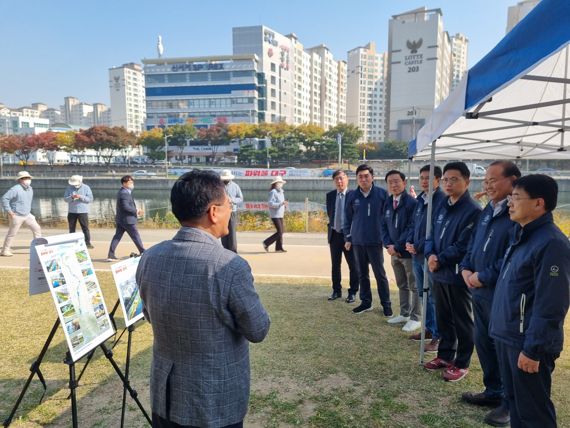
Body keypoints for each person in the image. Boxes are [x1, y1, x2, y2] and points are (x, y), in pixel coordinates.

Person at [137, 170, 270, 428]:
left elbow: (150, 314)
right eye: (229, 206)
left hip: (166, 398)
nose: (231, 212)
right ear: (213, 212)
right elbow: (258, 329)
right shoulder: (230, 266)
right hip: (215, 400)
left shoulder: (150, 257)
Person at [490, 174, 569, 428]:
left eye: (516, 197)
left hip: (526, 343)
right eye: (510, 197)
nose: (510, 203)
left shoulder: (552, 244)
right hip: (508, 334)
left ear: (539, 203)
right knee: (516, 405)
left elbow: (551, 303)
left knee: (534, 412)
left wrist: (533, 349)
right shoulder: (523, 234)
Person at [459, 161, 521, 427]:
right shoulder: (488, 210)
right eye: (486, 181)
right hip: (478, 291)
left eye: (493, 180)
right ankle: (493, 391)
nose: (488, 185)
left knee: (504, 350)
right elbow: (474, 243)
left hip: (500, 293)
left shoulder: (517, 214)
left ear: (513, 181)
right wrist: (465, 268)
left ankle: (509, 403)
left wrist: (481, 276)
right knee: (483, 342)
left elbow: (512, 256)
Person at [423, 161, 481, 382]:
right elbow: (430, 234)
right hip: (438, 272)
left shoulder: (473, 210)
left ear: (467, 181)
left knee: (463, 320)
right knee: (443, 317)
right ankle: (445, 355)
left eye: (454, 179)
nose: (448, 183)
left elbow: (465, 244)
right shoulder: (442, 205)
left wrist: (440, 258)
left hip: (457, 275)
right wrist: (430, 255)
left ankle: (462, 362)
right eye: (446, 179)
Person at [343, 164, 392, 316]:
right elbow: (347, 219)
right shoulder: (352, 196)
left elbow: (388, 219)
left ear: (372, 177)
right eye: (360, 177)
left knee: (380, 274)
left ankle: (386, 304)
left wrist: (387, 239)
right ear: (356, 179)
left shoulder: (382, 194)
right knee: (362, 273)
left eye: (366, 176)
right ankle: (366, 302)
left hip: (376, 241)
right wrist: (348, 237)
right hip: (357, 241)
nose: (363, 179)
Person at [406, 165, 444, 353]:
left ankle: (437, 336)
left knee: (433, 298)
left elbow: (435, 231)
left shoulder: (441, 201)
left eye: (428, 178)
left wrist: (418, 245)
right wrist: (409, 241)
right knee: (423, 294)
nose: (424, 181)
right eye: (421, 177)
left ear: (438, 179)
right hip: (416, 255)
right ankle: (428, 329)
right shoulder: (420, 199)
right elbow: (414, 224)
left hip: (429, 255)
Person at [383, 170, 420, 331]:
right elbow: (382, 225)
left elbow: (411, 228)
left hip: (407, 252)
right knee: (401, 284)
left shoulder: (412, 203)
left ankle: (416, 317)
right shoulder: (388, 202)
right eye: (390, 182)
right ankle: (404, 313)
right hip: (393, 252)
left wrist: (397, 247)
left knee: (414, 285)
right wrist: (388, 245)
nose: (393, 184)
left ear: (404, 183)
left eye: (397, 181)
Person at [326, 170, 359, 302]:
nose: (339, 182)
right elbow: (330, 213)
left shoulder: (354, 195)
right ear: (334, 181)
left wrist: (349, 236)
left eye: (341, 178)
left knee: (353, 265)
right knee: (335, 265)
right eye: (336, 179)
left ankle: (352, 292)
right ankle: (336, 290)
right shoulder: (330, 195)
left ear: (347, 180)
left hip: (349, 236)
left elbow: (356, 217)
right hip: (334, 234)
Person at [1, 171, 42, 257]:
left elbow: (26, 202)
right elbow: (5, 198)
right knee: (12, 233)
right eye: (26, 178)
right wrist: (9, 211)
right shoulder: (15, 189)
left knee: (37, 229)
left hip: (27, 215)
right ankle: (5, 251)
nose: (28, 180)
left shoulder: (30, 188)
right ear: (20, 180)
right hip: (16, 215)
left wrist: (29, 211)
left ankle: (38, 248)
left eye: (29, 178)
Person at [107, 175, 145, 261]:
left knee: (117, 237)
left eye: (132, 182)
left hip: (121, 219)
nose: (132, 183)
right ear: (124, 183)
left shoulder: (123, 191)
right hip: (127, 220)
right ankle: (143, 252)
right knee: (135, 236)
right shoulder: (124, 193)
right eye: (130, 182)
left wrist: (136, 210)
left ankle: (110, 254)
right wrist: (136, 211)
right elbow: (125, 207)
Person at [64, 175, 94, 249]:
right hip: (71, 211)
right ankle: (72, 242)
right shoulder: (69, 188)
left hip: (83, 211)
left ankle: (87, 243)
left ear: (80, 182)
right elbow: (65, 199)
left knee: (85, 228)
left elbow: (90, 199)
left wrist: (81, 196)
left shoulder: (86, 188)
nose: (75, 185)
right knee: (71, 228)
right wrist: (71, 197)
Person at [220, 169, 243, 253]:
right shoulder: (219, 186)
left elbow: (240, 198)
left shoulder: (235, 186)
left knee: (232, 231)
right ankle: (225, 250)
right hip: (222, 211)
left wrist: (232, 200)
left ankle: (233, 250)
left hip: (232, 211)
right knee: (223, 230)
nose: (225, 180)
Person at [262, 176, 288, 253]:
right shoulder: (273, 192)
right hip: (275, 214)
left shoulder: (281, 192)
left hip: (280, 214)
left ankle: (279, 248)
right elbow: (270, 203)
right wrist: (281, 204)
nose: (281, 184)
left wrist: (284, 205)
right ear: (275, 184)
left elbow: (281, 203)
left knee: (281, 231)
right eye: (279, 183)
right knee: (280, 231)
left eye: (281, 183)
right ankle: (266, 243)